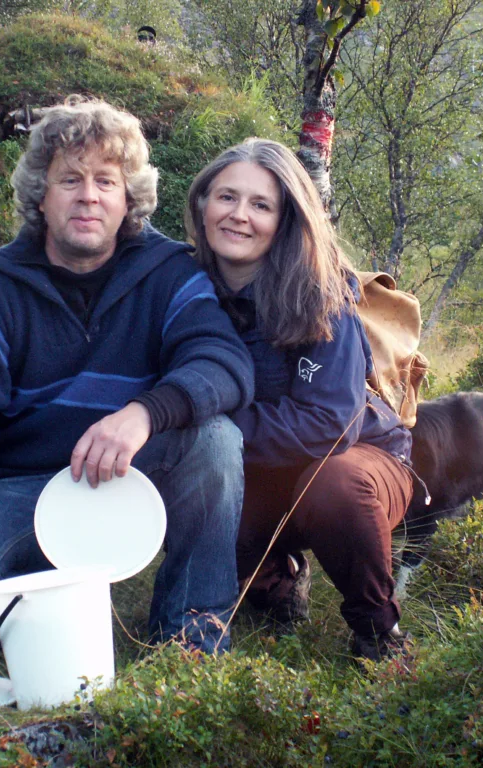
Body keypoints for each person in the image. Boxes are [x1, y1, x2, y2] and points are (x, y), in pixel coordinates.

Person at [0, 96, 254, 654]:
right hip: (18, 492)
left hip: (126, 482)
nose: (89, 196)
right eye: (70, 180)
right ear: (41, 193)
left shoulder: (168, 273)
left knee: (215, 440)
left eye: (106, 181)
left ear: (128, 198)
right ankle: (9, 593)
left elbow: (224, 362)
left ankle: (191, 632)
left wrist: (142, 414)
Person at [184, 138, 415, 660]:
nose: (239, 216)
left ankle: (378, 633)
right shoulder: (182, 285)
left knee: (331, 482)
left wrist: (213, 424)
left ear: (287, 217)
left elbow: (328, 424)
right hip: (257, 469)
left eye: (260, 204)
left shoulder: (321, 295)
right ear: (202, 204)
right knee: (196, 490)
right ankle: (278, 582)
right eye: (226, 197)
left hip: (359, 458)